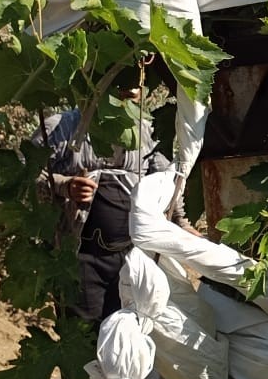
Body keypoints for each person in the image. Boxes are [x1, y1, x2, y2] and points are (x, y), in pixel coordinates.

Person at [35, 78, 189, 324]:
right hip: (79, 259)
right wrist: (66, 186)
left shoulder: (148, 132)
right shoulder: (63, 127)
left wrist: (182, 223)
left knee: (128, 338)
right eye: (120, 83)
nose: (131, 90)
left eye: (137, 85)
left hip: (131, 259)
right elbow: (29, 176)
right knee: (85, 338)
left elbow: (166, 183)